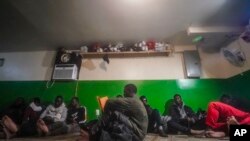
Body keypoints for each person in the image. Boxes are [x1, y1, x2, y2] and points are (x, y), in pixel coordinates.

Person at [78, 84, 148, 141]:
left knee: (114, 113)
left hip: (137, 135)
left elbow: (109, 101)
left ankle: (93, 133)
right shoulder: (136, 101)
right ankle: (95, 130)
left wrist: (105, 113)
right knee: (115, 114)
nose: (123, 93)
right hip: (138, 132)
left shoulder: (133, 101)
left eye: (124, 91)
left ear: (129, 91)